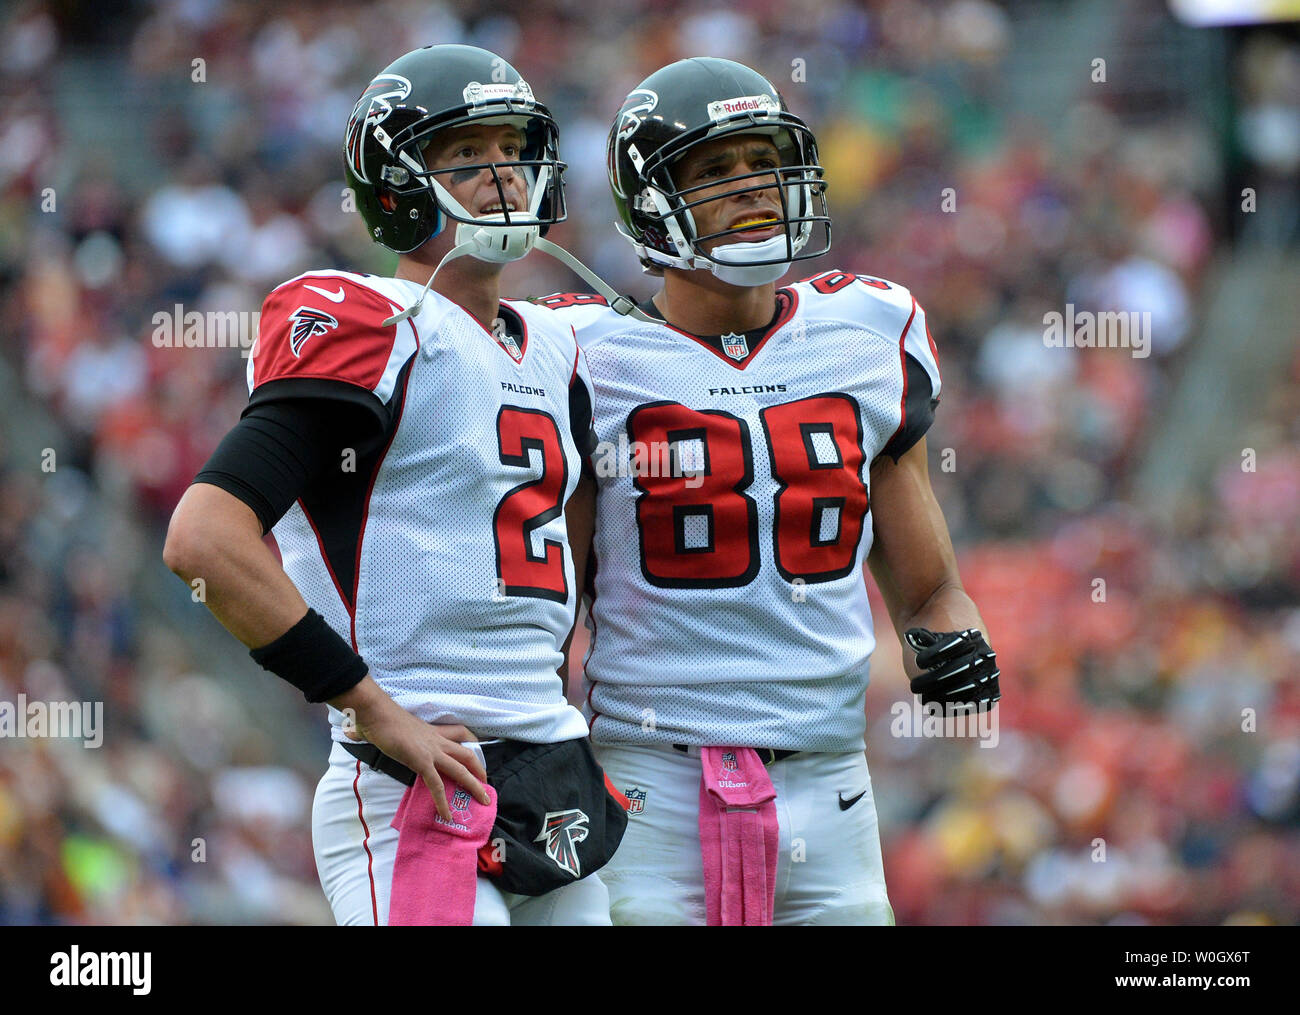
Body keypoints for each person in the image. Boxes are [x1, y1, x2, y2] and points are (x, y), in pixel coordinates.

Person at [163, 44, 626, 926]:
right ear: (398, 184)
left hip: (554, 778)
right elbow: (204, 539)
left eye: (512, 148)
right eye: (465, 155)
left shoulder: (566, 344)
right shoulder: (377, 325)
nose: (503, 176)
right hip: (415, 783)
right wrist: (375, 708)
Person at [537, 57, 1001, 925]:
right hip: (647, 778)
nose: (752, 188)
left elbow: (929, 584)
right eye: (715, 171)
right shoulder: (583, 354)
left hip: (829, 777)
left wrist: (946, 637)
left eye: (762, 162)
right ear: (650, 202)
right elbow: (553, 598)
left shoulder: (866, 328)